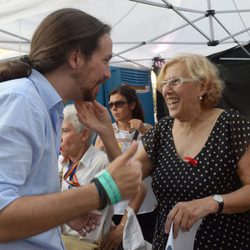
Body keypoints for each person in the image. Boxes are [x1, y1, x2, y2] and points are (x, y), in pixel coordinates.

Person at [0, 8, 142, 250]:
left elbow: (23, 193)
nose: (108, 73)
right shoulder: (23, 101)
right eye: (105, 60)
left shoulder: (45, 106)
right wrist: (101, 190)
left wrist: (64, 212)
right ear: (76, 58)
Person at [75, 53, 250, 250]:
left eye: (175, 81)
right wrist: (107, 132)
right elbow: (127, 173)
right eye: (164, 83)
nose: (166, 90)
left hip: (223, 242)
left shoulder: (230, 125)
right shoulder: (163, 130)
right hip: (168, 243)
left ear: (202, 86)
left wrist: (213, 202)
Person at [95, 85, 157, 245]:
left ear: (132, 104)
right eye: (111, 105)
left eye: (119, 103)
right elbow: (96, 168)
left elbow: (158, 160)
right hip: (116, 205)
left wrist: (143, 131)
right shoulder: (106, 133)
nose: (114, 109)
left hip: (145, 203)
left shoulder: (148, 129)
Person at [59, 104, 110, 246]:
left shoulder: (102, 163)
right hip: (61, 242)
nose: (59, 136)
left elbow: (135, 192)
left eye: (64, 131)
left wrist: (122, 227)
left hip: (88, 245)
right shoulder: (58, 162)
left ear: (85, 134)